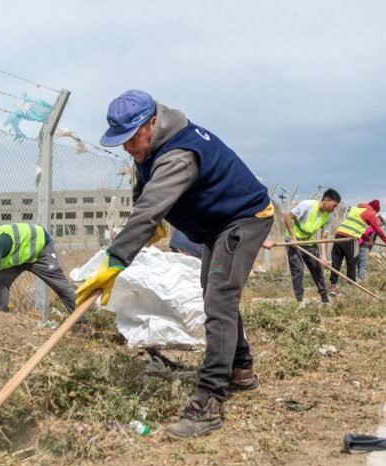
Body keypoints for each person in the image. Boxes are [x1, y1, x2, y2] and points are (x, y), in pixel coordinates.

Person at [75, 89, 274, 439]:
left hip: (245, 217)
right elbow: (144, 196)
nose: (127, 148)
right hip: (218, 225)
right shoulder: (149, 147)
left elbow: (150, 208)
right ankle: (241, 370)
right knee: (214, 292)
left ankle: (208, 403)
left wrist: (115, 260)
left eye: (131, 138)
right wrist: (150, 229)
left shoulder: (179, 155)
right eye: (120, 141)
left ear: (152, 122)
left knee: (219, 300)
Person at [0, 223, 86, 324]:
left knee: (60, 285)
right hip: (17, 256)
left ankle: (83, 322)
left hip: (38, 248)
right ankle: (3, 320)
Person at [277, 190, 340, 305]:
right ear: (326, 200)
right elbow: (288, 217)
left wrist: (323, 257)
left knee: (317, 270)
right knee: (298, 270)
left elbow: (323, 237)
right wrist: (294, 238)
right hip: (293, 241)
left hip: (309, 242)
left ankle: (325, 299)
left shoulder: (329, 216)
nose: (334, 209)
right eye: (333, 205)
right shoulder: (307, 205)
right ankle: (299, 300)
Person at [330, 200, 386, 295]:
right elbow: (378, 230)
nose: (375, 215)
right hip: (350, 239)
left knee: (336, 261)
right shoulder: (370, 213)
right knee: (351, 262)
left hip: (339, 235)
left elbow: (357, 228)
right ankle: (351, 286)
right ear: (375, 210)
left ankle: (333, 286)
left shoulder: (356, 209)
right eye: (376, 213)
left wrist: (367, 238)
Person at [355, 215, 383, 282]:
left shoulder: (367, 225)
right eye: (380, 224)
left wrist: (369, 250)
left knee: (358, 263)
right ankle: (361, 279)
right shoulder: (373, 227)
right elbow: (370, 241)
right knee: (363, 264)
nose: (380, 226)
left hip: (357, 245)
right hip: (363, 246)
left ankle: (357, 278)